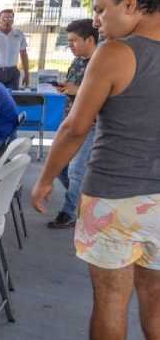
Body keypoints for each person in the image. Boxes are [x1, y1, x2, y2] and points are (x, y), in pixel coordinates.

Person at [31, 0, 160, 340]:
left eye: (102, 10)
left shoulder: (115, 54)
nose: (98, 22)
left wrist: (46, 177)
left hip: (116, 196)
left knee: (111, 298)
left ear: (131, 3)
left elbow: (75, 127)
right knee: (157, 298)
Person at [48, 19, 100, 229]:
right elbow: (76, 87)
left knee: (76, 171)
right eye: (68, 41)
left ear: (89, 39)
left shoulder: (103, 61)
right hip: (71, 121)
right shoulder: (78, 61)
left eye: (73, 41)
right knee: (59, 166)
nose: (70, 45)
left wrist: (77, 90)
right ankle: (83, 203)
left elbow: (105, 94)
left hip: (91, 125)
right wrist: (67, 88)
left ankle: (69, 213)